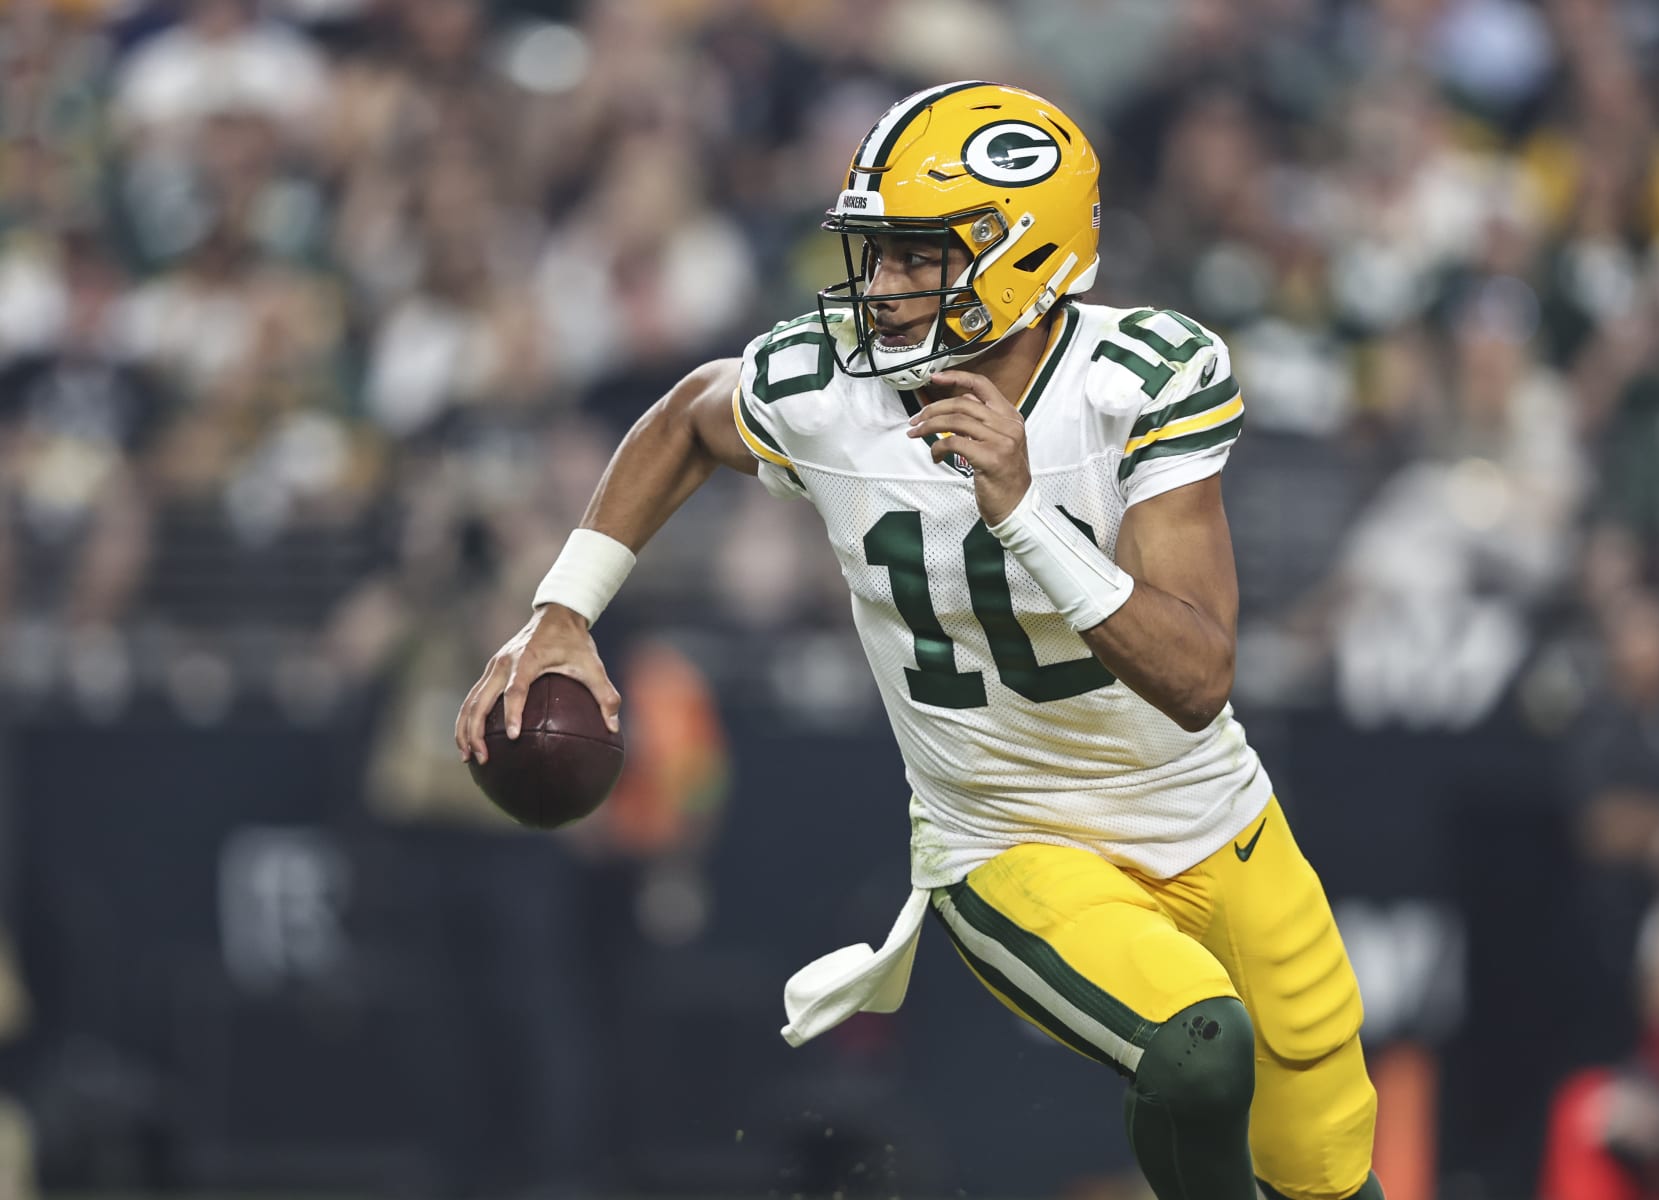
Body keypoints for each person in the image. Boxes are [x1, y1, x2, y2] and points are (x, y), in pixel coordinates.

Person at [455, 81, 1382, 1200]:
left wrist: (1025, 512)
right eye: (877, 255)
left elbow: (1197, 676)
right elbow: (687, 419)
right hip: (1007, 839)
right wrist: (563, 610)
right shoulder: (827, 385)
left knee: (1327, 1163)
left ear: (1023, 257)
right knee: (1199, 1052)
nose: (882, 289)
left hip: (1211, 817)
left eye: (915, 258)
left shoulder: (1134, 383)